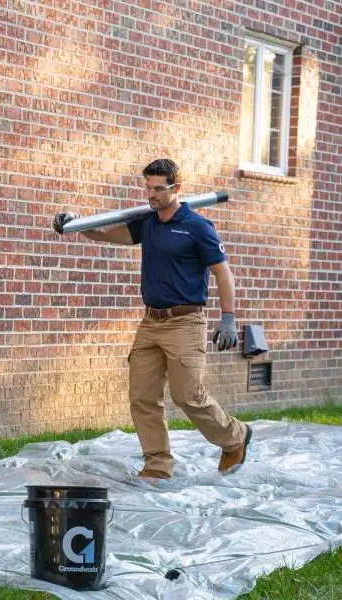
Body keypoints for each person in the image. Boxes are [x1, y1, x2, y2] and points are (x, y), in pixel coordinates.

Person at [52, 158, 252, 480]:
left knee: (188, 395)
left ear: (177, 189)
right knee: (142, 397)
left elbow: (223, 272)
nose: (152, 194)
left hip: (185, 322)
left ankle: (235, 438)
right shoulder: (148, 222)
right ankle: (158, 465)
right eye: (148, 187)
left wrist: (228, 318)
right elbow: (107, 235)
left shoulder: (197, 227)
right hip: (151, 323)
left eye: (159, 189)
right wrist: (76, 224)